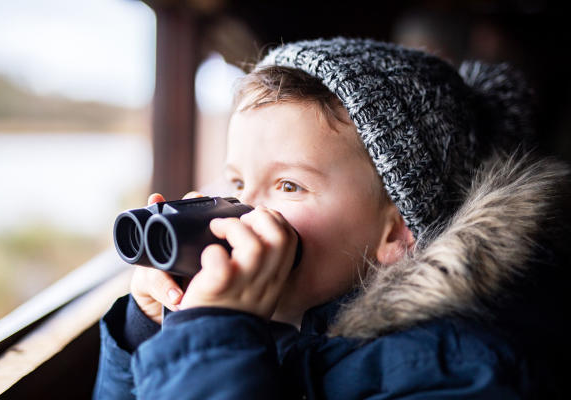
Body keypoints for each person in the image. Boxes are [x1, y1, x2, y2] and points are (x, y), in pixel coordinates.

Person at [93, 37, 569, 399]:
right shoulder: (283, 327)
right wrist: (151, 329)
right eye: (237, 185)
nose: (243, 214)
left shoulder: (458, 368)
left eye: (288, 186)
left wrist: (210, 335)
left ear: (397, 229)